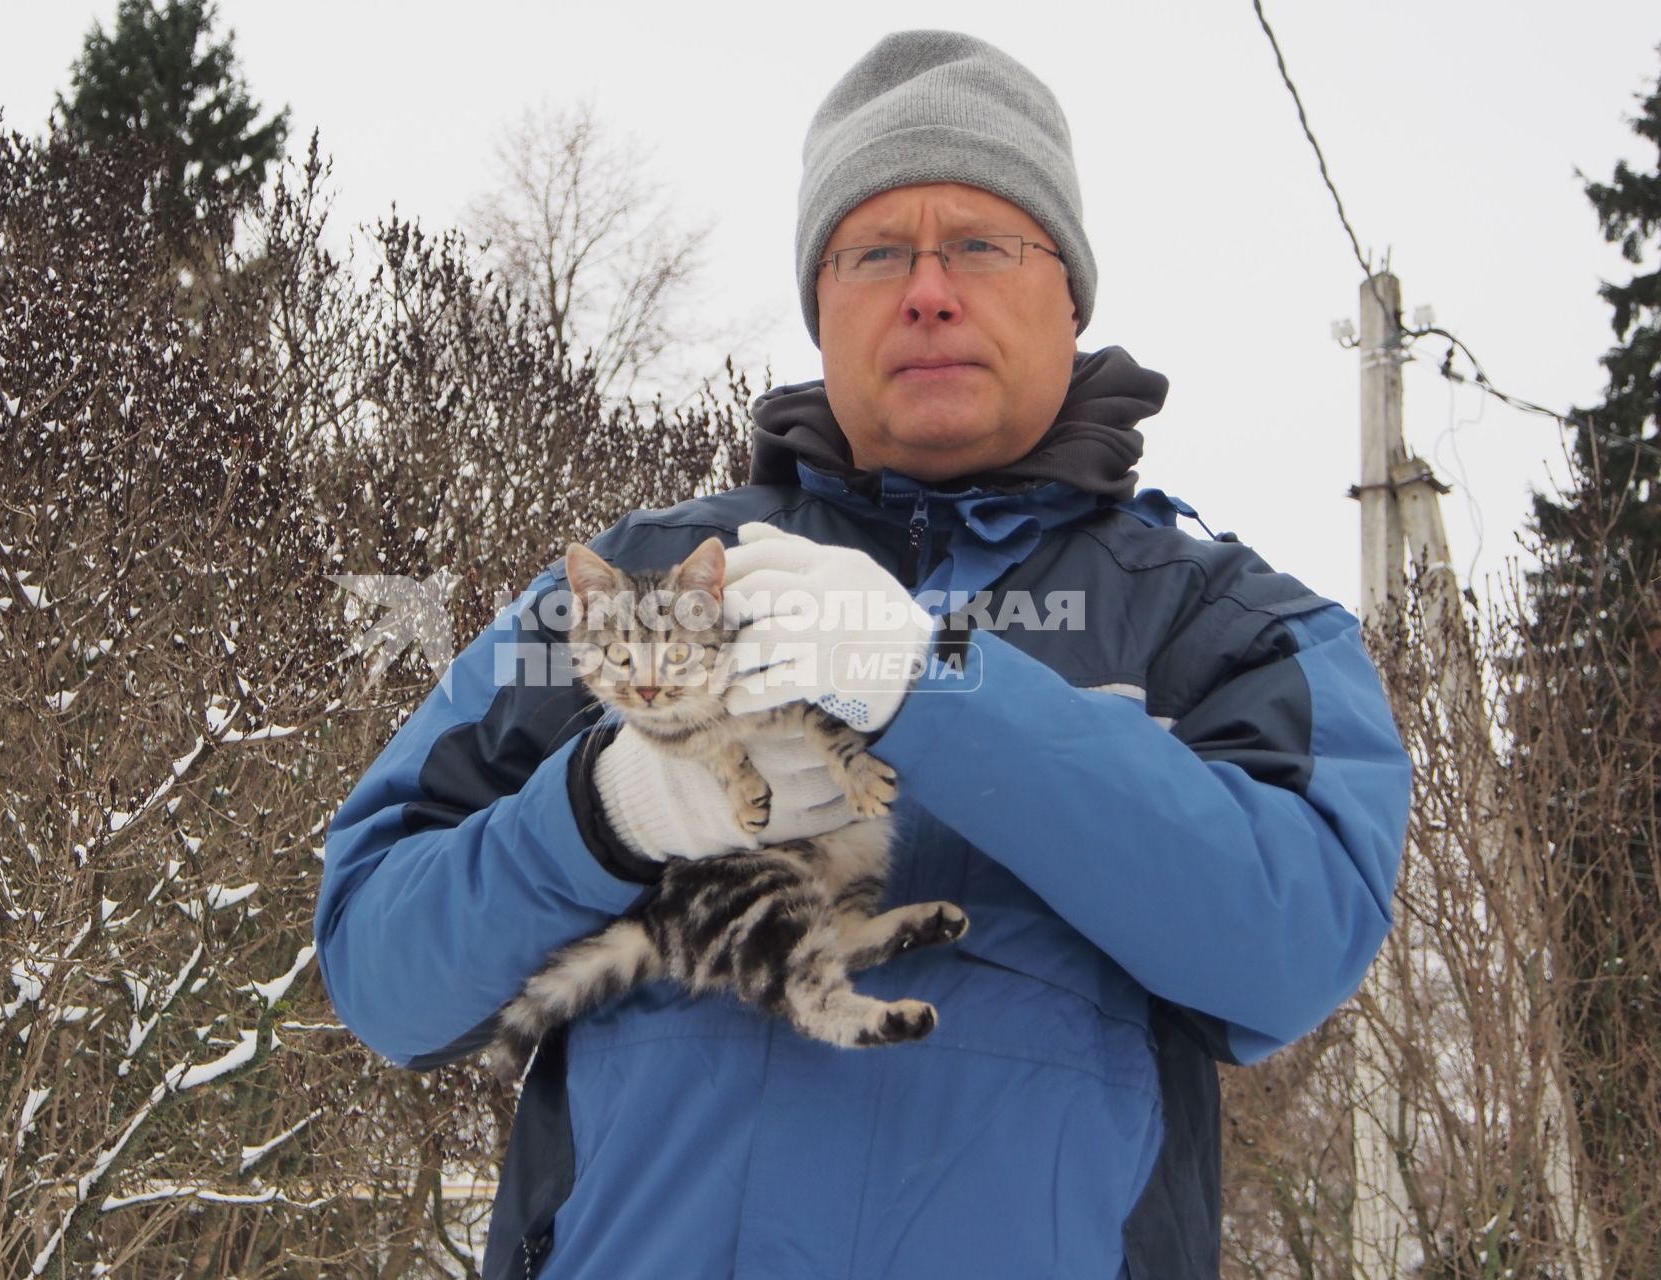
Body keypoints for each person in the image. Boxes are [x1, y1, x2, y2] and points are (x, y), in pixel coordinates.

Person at [315, 29, 1411, 1280]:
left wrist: (931, 683)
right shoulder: (637, 591)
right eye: (876, 250)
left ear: (1070, 292)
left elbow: (1290, 947)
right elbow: (379, 959)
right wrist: (601, 810)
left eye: (983, 244)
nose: (928, 288)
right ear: (820, 301)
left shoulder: (1225, 622)